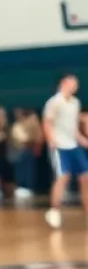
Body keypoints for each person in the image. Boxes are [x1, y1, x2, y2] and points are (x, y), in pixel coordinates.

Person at [43, 74, 88, 229]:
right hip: (60, 147)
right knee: (63, 177)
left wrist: (83, 141)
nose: (75, 86)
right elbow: (47, 123)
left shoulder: (75, 103)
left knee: (85, 177)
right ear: (63, 83)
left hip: (73, 145)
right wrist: (51, 141)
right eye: (72, 83)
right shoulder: (54, 102)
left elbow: (74, 129)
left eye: (76, 83)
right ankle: (54, 210)